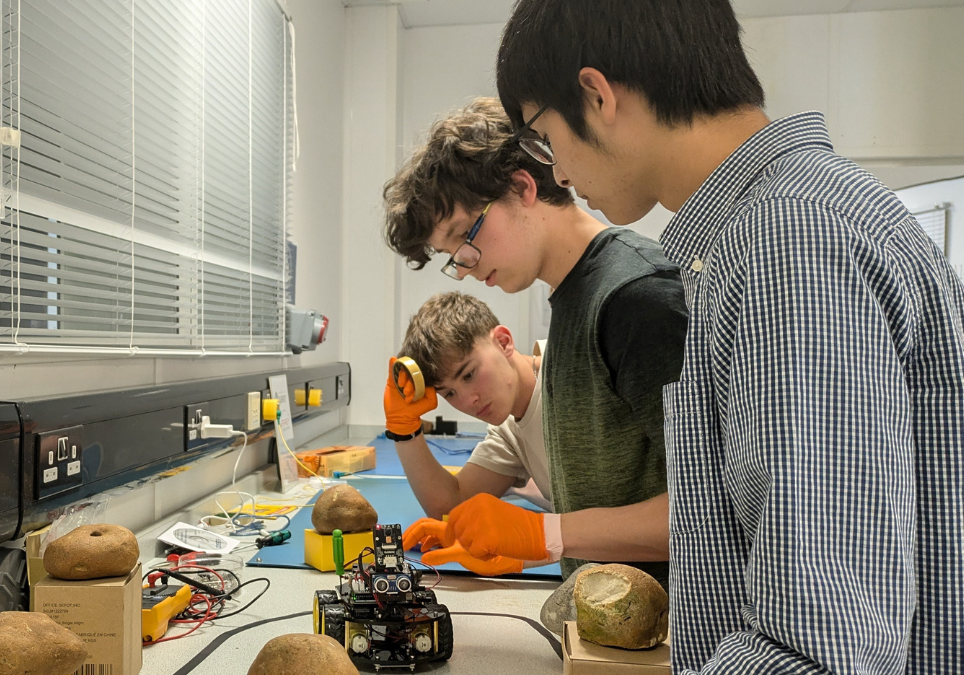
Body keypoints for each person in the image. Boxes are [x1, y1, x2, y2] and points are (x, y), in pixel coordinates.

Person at [492, 1, 964, 673]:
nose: (558, 173)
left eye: (543, 138)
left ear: (596, 95)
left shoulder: (788, 242)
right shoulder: (771, 228)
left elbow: (815, 649)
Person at [381, 97, 688, 594]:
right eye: (452, 256)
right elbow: (451, 502)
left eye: (464, 237)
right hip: (606, 621)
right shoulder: (571, 303)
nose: (465, 266)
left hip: (675, 627)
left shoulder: (635, 296)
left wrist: (541, 535)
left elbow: (709, 512)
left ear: (522, 187)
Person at [383, 292, 551, 576]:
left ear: (503, 342)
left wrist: (535, 547)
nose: (467, 401)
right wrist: (404, 429)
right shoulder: (508, 430)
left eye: (469, 374)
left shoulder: (571, 374)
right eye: (449, 393)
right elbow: (452, 507)